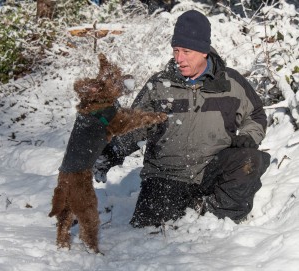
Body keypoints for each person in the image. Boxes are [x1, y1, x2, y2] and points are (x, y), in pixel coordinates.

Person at [94, 10, 271, 227]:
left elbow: (256, 115)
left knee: (249, 159)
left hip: (211, 170)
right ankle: (188, 208)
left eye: (186, 51)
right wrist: (112, 152)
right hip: (167, 175)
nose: (179, 58)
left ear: (204, 51)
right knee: (148, 231)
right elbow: (135, 126)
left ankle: (215, 221)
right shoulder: (159, 85)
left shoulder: (231, 83)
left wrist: (248, 136)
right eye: (176, 50)